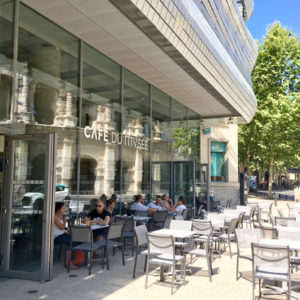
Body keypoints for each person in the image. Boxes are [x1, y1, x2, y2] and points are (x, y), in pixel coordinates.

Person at [54, 202, 78, 269]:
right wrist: (65, 221)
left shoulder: (60, 217)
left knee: (76, 240)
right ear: (58, 209)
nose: (64, 209)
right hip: (56, 238)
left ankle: (75, 260)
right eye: (63, 208)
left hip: (61, 235)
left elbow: (61, 230)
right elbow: (61, 227)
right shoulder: (54, 217)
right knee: (72, 242)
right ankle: (69, 262)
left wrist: (68, 233)